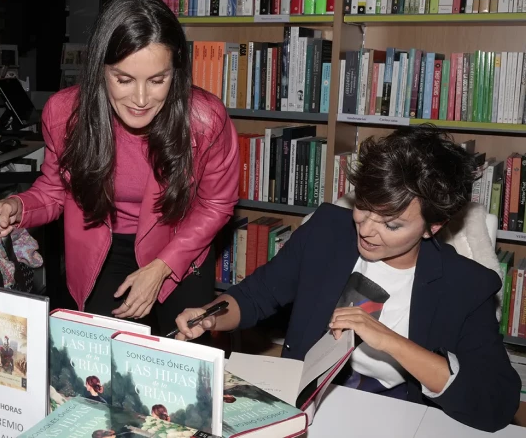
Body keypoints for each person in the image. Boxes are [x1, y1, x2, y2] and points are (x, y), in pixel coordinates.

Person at [174, 126, 522, 433]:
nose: (367, 230)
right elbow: (257, 295)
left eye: (392, 224)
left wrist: (389, 341)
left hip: (401, 413)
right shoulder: (327, 230)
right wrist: (210, 316)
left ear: (433, 227)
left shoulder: (466, 285)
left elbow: (497, 404)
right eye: (364, 207)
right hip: (311, 401)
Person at [0, 0, 239, 336]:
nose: (142, 99)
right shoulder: (64, 114)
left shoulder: (205, 118)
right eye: (124, 79)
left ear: (176, 71)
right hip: (101, 250)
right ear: (100, 69)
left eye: (158, 80)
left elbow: (216, 204)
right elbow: (55, 190)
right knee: (103, 367)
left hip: (181, 247)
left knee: (183, 365)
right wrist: (16, 206)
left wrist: (162, 266)